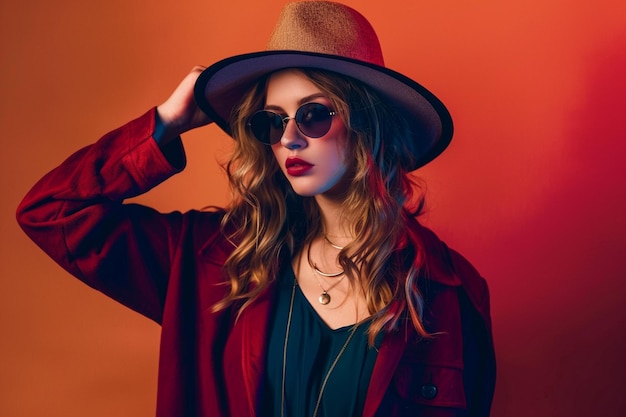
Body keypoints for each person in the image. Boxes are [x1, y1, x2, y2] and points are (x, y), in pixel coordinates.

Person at [16, 1, 495, 416]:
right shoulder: (210, 261)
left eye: (313, 114)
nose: (289, 137)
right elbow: (50, 211)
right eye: (272, 121)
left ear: (366, 123)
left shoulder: (453, 292)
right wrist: (166, 122)